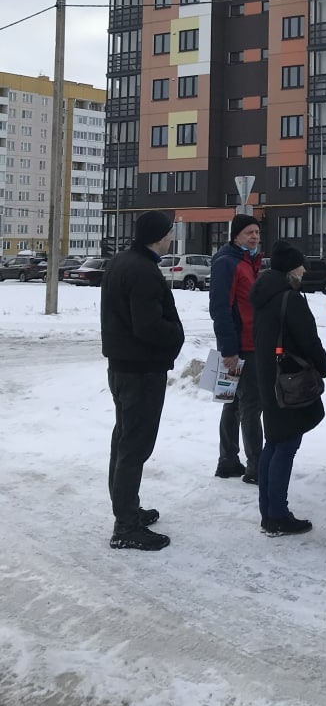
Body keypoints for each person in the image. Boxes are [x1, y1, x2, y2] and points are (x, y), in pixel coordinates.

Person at [100, 211, 185, 550]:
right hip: (141, 370)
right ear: (157, 236)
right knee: (134, 445)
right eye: (169, 233)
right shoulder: (144, 271)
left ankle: (127, 509)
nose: (171, 238)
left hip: (123, 367)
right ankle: (126, 526)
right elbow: (148, 327)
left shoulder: (122, 261)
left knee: (124, 439)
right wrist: (176, 334)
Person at [250, 241, 326, 536]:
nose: (304, 270)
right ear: (289, 269)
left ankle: (268, 513)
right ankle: (278, 515)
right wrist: (324, 367)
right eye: (300, 265)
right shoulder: (290, 298)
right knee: (285, 446)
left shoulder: (263, 294)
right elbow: (309, 339)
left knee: (273, 443)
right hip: (289, 380)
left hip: (268, 376)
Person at [209, 214, 263, 483]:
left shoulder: (248, 261)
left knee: (232, 403)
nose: (254, 237)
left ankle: (228, 460)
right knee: (250, 405)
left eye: (257, 232)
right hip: (241, 347)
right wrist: (229, 350)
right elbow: (220, 308)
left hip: (246, 343)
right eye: (249, 232)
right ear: (235, 236)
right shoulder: (227, 263)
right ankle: (256, 466)